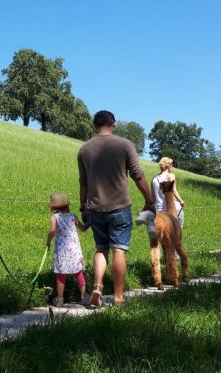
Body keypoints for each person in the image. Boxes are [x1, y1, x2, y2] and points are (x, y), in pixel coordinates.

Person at [77, 110, 155, 306]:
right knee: (119, 250)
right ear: (113, 124)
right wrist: (149, 199)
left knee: (101, 248)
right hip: (119, 207)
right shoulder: (125, 145)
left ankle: (97, 286)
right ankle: (119, 297)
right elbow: (137, 175)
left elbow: (83, 183)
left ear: (94, 126)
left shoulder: (84, 150)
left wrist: (83, 207)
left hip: (94, 208)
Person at [45, 192, 88, 307]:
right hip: (75, 249)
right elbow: (83, 229)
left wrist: (48, 242)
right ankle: (84, 298)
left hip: (62, 250)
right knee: (78, 273)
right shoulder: (73, 216)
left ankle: (60, 300)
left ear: (53, 207)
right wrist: (90, 222)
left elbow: (53, 230)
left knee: (61, 274)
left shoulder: (55, 217)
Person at [151, 157, 185, 228]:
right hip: (173, 209)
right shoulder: (170, 176)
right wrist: (181, 201)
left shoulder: (154, 179)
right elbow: (173, 190)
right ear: (169, 165)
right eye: (172, 165)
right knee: (177, 234)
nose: (172, 167)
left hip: (159, 211)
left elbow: (153, 198)